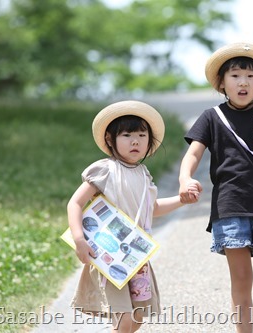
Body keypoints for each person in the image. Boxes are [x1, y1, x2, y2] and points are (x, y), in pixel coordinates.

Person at [179, 42, 253, 333]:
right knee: (241, 279)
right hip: (228, 207)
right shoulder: (211, 117)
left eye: (250, 76)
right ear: (222, 84)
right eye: (235, 76)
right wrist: (185, 178)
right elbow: (194, 153)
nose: (243, 82)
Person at [67, 100, 196, 332]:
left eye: (141, 134)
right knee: (124, 320)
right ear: (110, 139)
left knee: (136, 319)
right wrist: (79, 240)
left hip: (136, 257)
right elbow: (75, 203)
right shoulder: (105, 169)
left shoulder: (143, 174)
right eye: (126, 135)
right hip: (108, 256)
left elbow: (152, 208)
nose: (135, 140)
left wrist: (180, 200)